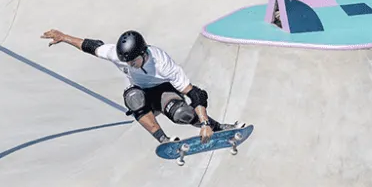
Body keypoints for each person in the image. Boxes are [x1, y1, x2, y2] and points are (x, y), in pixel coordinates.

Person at [41, 28, 236, 145]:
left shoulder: (162, 63)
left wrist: (204, 123)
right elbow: (91, 46)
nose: (130, 65)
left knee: (182, 114)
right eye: (127, 62)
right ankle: (163, 139)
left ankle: (217, 127)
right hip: (141, 94)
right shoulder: (118, 55)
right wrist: (64, 37)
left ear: (144, 54)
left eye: (134, 61)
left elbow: (196, 94)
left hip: (164, 92)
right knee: (133, 98)